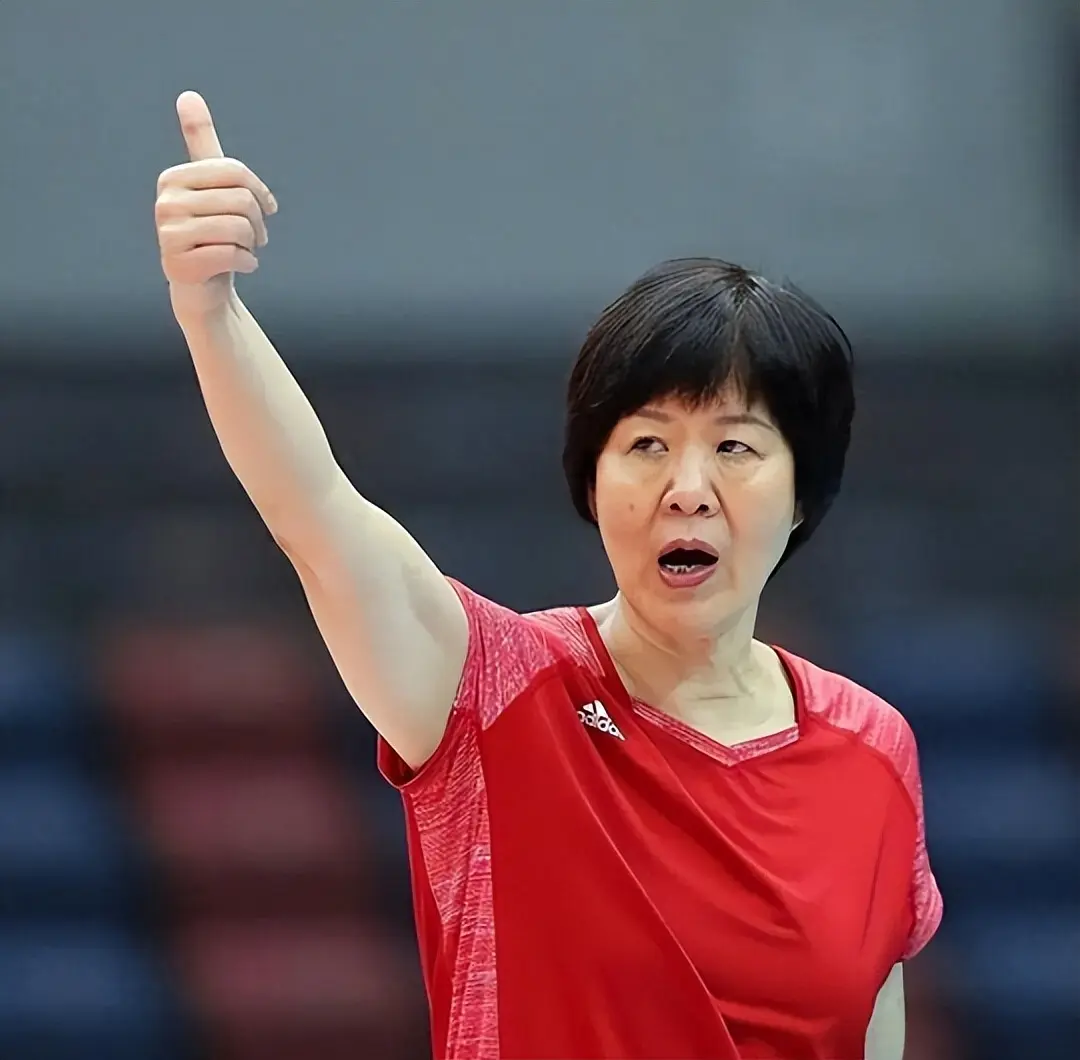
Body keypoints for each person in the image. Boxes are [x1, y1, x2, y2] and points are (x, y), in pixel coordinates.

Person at [155, 91, 942, 1060]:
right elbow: (316, 515)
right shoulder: (495, 689)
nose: (687, 488)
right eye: (646, 444)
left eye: (735, 447)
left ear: (803, 494)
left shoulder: (872, 747)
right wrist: (210, 310)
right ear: (592, 481)